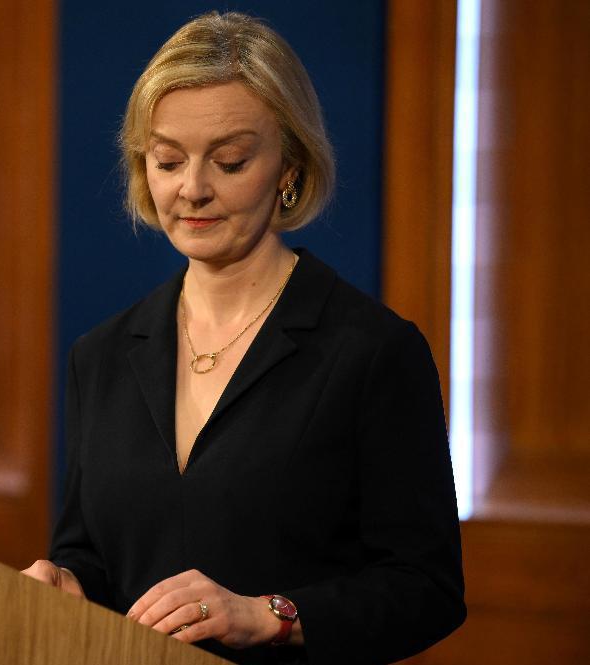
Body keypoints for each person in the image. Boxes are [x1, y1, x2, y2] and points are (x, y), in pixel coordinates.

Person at [23, 11, 465, 665]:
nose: (193, 188)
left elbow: (427, 588)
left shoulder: (372, 351)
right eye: (168, 159)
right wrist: (67, 583)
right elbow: (89, 551)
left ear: (289, 163)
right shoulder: (101, 355)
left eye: (229, 161)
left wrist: (267, 615)